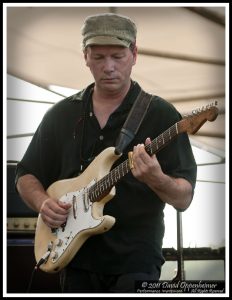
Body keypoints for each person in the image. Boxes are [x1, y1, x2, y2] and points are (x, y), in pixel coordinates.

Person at [15, 13, 197, 293]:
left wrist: (156, 178)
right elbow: (26, 174)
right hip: (73, 257)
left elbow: (183, 198)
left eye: (117, 56)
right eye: (98, 57)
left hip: (135, 258)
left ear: (134, 54)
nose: (108, 67)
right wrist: (42, 203)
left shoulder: (161, 115)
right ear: (85, 56)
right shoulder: (60, 115)